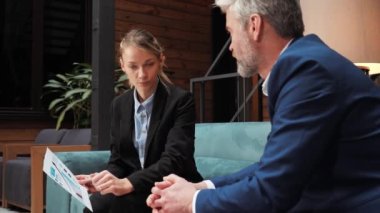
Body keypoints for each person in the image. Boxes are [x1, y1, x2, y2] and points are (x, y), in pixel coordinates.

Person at [146, 0, 380, 212]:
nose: (230, 47)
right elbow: (272, 168)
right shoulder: (305, 64)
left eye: (231, 32)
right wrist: (202, 188)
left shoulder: (308, 72)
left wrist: (190, 202)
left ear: (254, 26)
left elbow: (271, 191)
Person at [76, 28, 202, 213]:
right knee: (93, 207)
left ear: (161, 61)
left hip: (172, 184)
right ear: (123, 65)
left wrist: (128, 183)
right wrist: (104, 180)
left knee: (120, 206)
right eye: (133, 66)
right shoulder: (119, 105)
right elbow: (119, 160)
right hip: (137, 185)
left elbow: (175, 160)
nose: (142, 74)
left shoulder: (180, 101)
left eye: (149, 64)